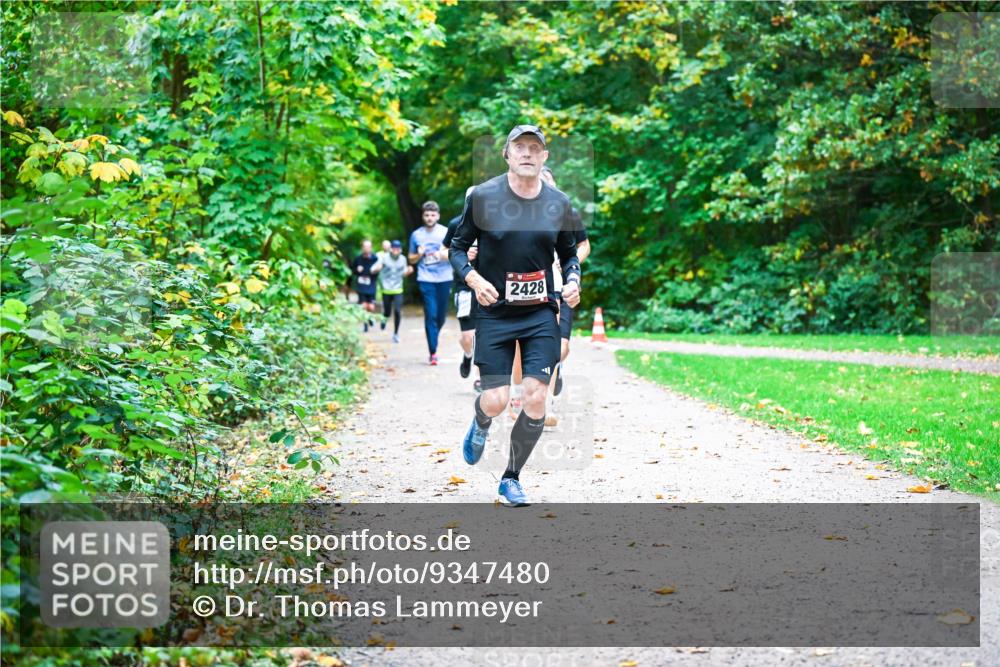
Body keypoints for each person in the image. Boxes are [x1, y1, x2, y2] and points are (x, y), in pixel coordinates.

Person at [449, 124, 582, 506]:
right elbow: (457, 248)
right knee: (495, 399)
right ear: (506, 154)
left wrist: (573, 280)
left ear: (544, 157)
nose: (527, 153)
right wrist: (474, 279)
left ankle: (511, 478)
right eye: (519, 147)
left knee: (536, 398)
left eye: (534, 148)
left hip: (540, 312)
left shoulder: (558, 203)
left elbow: (569, 254)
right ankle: (481, 420)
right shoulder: (484, 197)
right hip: (495, 313)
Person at [443, 186, 481, 391]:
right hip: (464, 286)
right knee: (468, 337)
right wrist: (461, 255)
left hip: (489, 285)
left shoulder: (493, 224)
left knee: (485, 335)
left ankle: (480, 377)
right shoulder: (455, 224)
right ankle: (468, 355)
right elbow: (443, 252)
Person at [408, 201, 453, 365]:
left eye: (432, 215)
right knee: (431, 313)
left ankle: (434, 334)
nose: (429, 218)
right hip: (425, 278)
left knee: (441, 317)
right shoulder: (416, 235)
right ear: (423, 216)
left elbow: (455, 253)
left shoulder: (446, 232)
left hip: (444, 277)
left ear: (438, 216)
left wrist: (442, 254)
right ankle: (433, 352)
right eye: (427, 215)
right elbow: (411, 259)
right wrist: (419, 255)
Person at [378, 240, 412, 342]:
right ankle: (384, 319)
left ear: (400, 250)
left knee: (397, 311)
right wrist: (376, 269)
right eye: (394, 248)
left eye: (398, 249)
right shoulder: (384, 258)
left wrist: (408, 271)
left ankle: (396, 334)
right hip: (387, 289)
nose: (396, 250)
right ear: (391, 249)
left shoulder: (403, 259)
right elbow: (376, 268)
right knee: (387, 312)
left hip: (398, 289)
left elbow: (404, 273)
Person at [350, 239, 381, 332]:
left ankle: (370, 318)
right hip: (361, 285)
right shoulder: (358, 259)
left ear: (371, 248)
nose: (367, 248)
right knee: (363, 306)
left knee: (371, 307)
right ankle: (365, 325)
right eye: (365, 246)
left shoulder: (375, 258)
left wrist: (375, 271)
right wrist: (357, 270)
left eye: (368, 246)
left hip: (371, 284)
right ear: (362, 248)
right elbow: (353, 271)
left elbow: (379, 271)